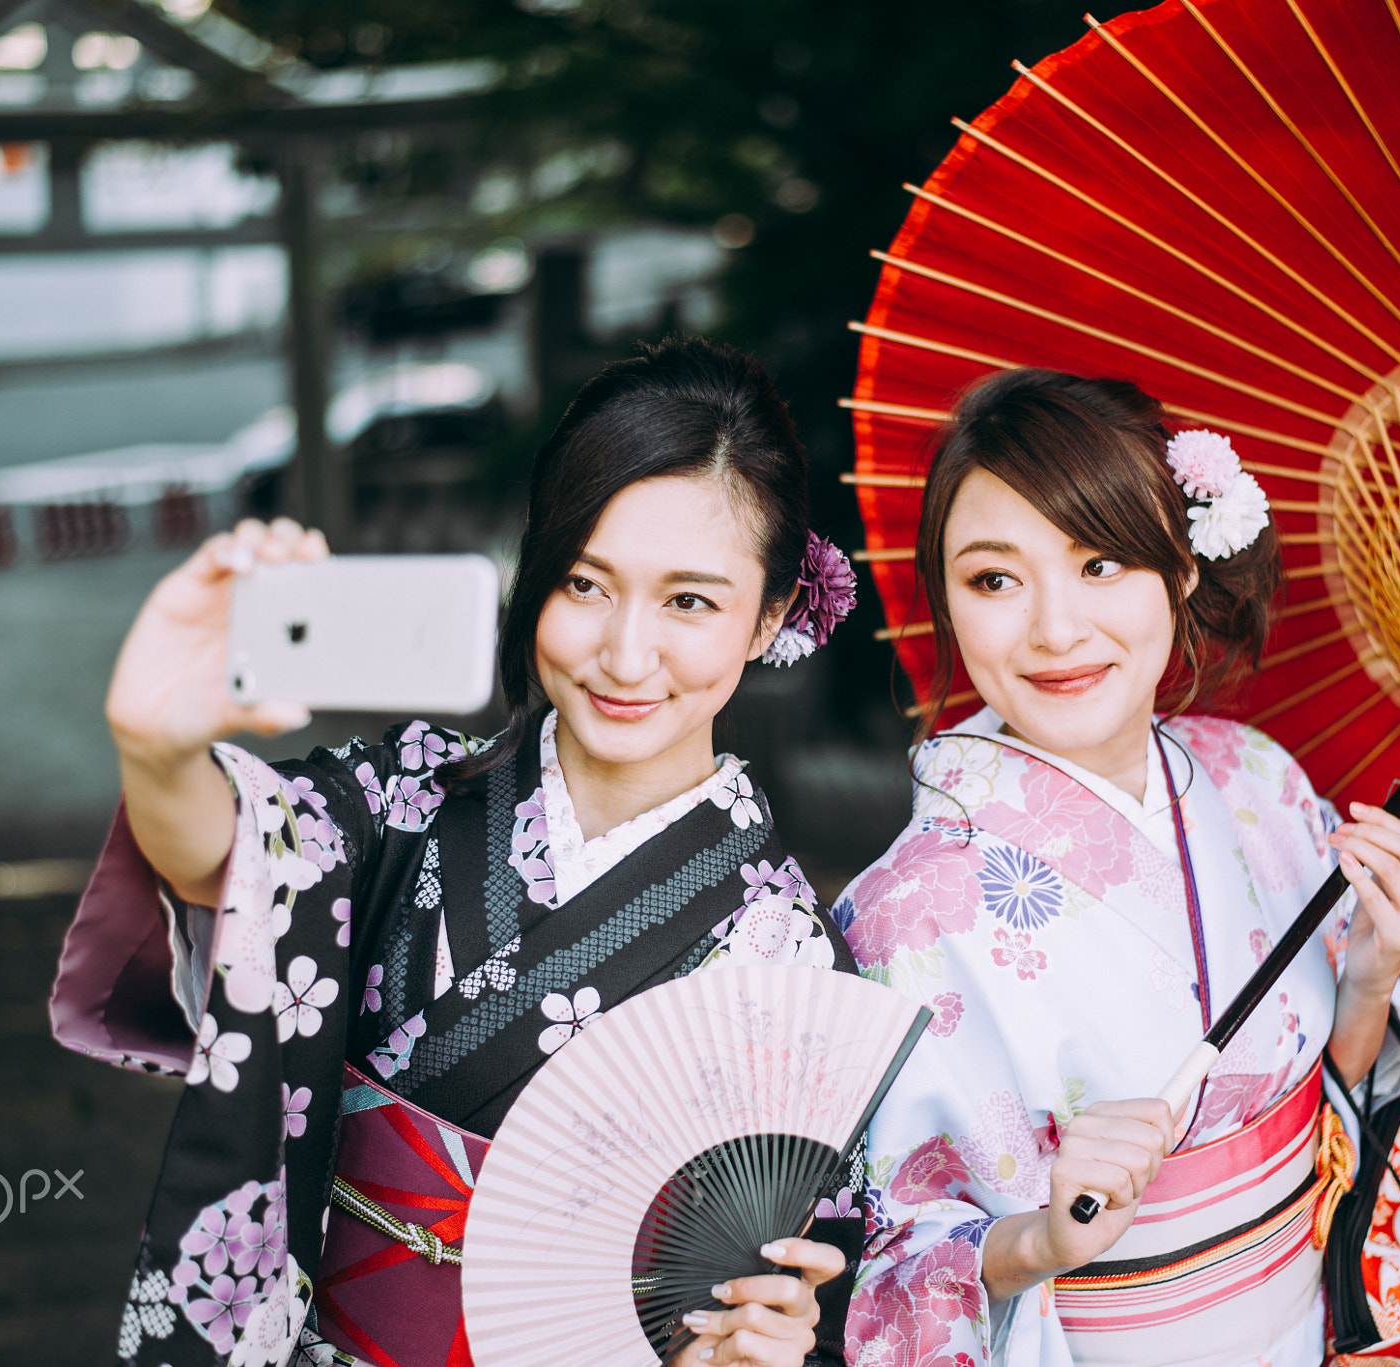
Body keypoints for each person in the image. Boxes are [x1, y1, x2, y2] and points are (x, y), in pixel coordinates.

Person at [50, 336, 864, 1367]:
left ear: (774, 613)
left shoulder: (785, 956)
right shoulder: (408, 794)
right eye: (583, 583)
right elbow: (231, 854)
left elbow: (788, 1283)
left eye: (689, 600)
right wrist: (155, 749)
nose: (623, 652)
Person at [837, 370, 1400, 1367]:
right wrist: (1038, 1238)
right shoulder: (901, 914)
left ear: (1179, 568)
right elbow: (876, 1257)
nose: (1051, 628)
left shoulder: (1254, 780)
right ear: (948, 603)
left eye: (1100, 563)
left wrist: (1373, 969)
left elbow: (1337, 1107)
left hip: (1308, 1328)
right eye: (993, 579)